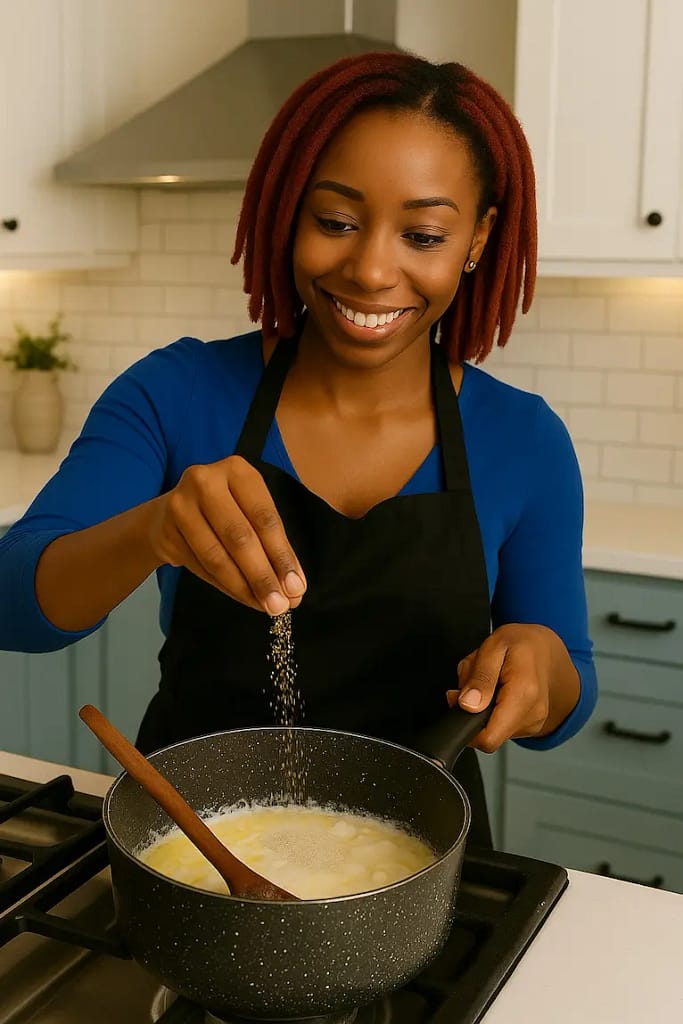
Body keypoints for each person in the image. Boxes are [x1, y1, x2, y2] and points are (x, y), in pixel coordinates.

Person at [0, 52, 596, 848]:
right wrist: (153, 529)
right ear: (288, 212)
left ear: (477, 238)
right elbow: (17, 608)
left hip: (415, 869)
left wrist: (541, 659)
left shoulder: (523, 440)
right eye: (336, 221)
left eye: (422, 234)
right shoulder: (175, 393)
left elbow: (567, 700)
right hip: (189, 852)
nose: (371, 268)